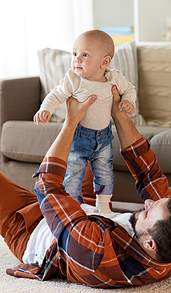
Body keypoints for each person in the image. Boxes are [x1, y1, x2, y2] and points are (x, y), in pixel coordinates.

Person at [0, 86, 171, 288]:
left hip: (36, 230)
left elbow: (47, 186)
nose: (146, 203)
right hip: (87, 214)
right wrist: (118, 113)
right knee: (88, 154)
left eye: (149, 213)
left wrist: (71, 121)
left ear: (149, 243)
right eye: (154, 203)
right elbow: (149, 173)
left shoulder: (97, 254)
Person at [34, 29, 136, 216]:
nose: (77, 59)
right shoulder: (74, 80)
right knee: (73, 174)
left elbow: (130, 89)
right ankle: (75, 208)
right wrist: (45, 109)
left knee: (104, 173)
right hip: (80, 137)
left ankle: (104, 207)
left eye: (85, 54)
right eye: (74, 54)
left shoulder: (114, 78)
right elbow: (56, 94)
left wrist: (128, 101)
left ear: (104, 62)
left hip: (103, 137)